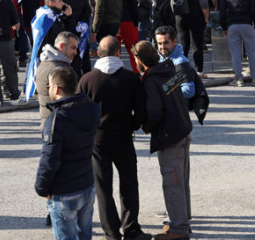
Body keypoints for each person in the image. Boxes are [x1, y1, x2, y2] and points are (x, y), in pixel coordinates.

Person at [77, 36, 150, 240]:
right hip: (123, 137)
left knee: (103, 187)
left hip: (97, 140)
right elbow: (141, 112)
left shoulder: (87, 79)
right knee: (128, 183)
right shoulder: (131, 79)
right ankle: (131, 228)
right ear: (119, 52)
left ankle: (111, 232)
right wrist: (132, 124)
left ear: (99, 53)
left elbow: (79, 113)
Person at [132, 41, 192, 240]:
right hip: (183, 130)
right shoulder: (166, 69)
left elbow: (155, 112)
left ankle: (179, 229)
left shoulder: (151, 80)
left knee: (173, 183)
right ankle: (182, 221)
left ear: (139, 59)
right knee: (181, 181)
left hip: (170, 136)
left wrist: (146, 127)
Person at [35, 65, 100, 240]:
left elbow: (49, 158)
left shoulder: (57, 119)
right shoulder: (91, 109)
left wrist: (41, 187)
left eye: (48, 86)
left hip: (65, 192)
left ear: (56, 88)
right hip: (87, 185)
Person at [219, 0, 255, 86]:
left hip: (233, 26)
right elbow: (254, 12)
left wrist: (224, 27)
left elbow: (222, 14)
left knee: (236, 54)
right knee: (251, 53)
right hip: (247, 25)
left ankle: (238, 79)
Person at [36, 31, 80, 126]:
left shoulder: (44, 62)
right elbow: (66, 100)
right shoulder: (60, 70)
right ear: (61, 46)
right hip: (59, 124)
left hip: (48, 121)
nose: (75, 52)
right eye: (73, 48)